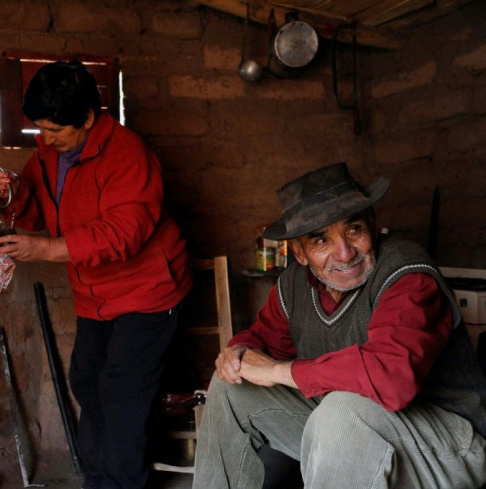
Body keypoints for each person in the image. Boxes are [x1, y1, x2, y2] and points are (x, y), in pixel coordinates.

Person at [193, 162, 486, 488]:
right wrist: (238, 353)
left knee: (341, 409)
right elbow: (263, 338)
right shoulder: (294, 285)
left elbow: (391, 378)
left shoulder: (406, 273)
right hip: (355, 429)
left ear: (373, 227)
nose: (344, 253)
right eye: (321, 241)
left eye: (354, 229)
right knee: (230, 386)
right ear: (300, 253)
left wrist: (278, 371)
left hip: (451, 447)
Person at [0, 60, 193, 489]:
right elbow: (35, 205)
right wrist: (9, 191)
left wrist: (45, 248)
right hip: (97, 293)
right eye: (40, 130)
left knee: (122, 393)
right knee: (87, 379)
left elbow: (124, 233)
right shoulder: (50, 151)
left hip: (148, 291)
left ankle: (116, 482)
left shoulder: (128, 154)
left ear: (88, 117)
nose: (45, 140)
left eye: (55, 130)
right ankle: (99, 478)